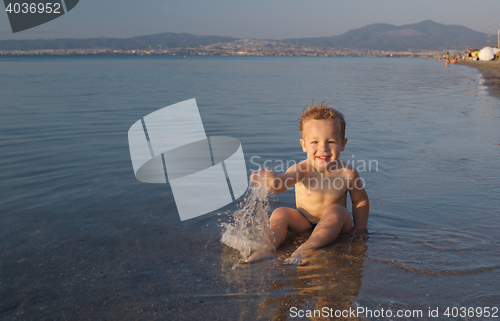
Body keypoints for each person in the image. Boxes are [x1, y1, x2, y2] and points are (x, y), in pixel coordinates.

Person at [244, 102, 369, 265]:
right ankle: (266, 247)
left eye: (330, 141)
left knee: (337, 210)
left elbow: (360, 200)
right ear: (303, 145)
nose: (323, 148)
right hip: (304, 222)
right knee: (281, 212)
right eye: (315, 142)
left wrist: (360, 229)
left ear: (343, 144)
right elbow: (283, 183)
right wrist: (273, 182)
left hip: (338, 225)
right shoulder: (302, 169)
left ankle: (307, 248)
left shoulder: (347, 173)